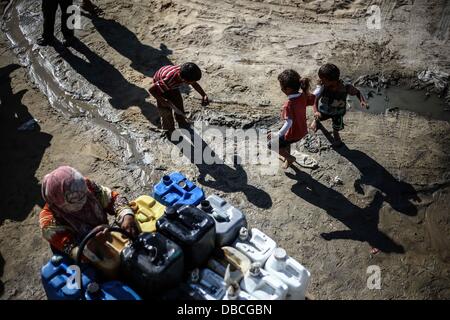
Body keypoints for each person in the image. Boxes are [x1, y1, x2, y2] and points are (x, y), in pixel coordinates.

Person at [39, 166, 139, 260]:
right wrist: (93, 244)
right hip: (79, 256)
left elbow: (112, 198)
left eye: (84, 193)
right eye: (75, 199)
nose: (84, 199)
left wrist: (126, 216)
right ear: (60, 201)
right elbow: (73, 251)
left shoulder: (84, 185)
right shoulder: (49, 223)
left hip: (103, 234)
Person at [310, 63, 368, 147]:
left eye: (323, 79)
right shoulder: (323, 87)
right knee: (319, 117)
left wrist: (362, 101)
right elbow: (315, 100)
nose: (320, 81)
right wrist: (316, 111)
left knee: (336, 127)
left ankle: (336, 137)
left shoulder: (346, 87)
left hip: (338, 113)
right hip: (324, 110)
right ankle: (316, 121)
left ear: (332, 80)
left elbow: (357, 92)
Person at [268, 69, 315, 169]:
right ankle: (287, 157)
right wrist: (320, 87)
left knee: (272, 145)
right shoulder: (303, 95)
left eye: (281, 86)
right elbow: (314, 97)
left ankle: (289, 158)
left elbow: (289, 122)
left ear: (287, 89)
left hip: (293, 133)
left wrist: (277, 134)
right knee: (285, 142)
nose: (280, 89)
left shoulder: (288, 105)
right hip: (302, 130)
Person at [148, 63, 209, 135]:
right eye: (191, 82)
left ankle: (181, 121)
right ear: (184, 80)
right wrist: (162, 100)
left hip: (172, 86)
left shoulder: (185, 73)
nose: (193, 83)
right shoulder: (169, 80)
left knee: (178, 102)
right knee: (165, 110)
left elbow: (194, 83)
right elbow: (151, 90)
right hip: (160, 88)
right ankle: (169, 130)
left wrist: (203, 94)